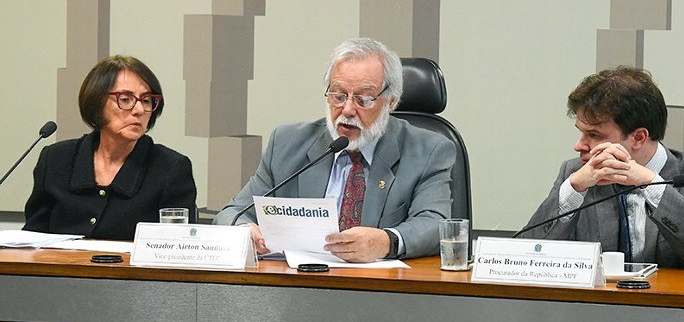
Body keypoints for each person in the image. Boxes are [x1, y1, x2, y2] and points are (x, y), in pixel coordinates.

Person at [213, 37, 455, 263]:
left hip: (382, 295)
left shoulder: (428, 151)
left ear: (391, 102)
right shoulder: (287, 144)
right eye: (338, 96)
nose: (348, 109)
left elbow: (435, 223)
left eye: (364, 99)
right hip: (299, 289)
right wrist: (244, 231)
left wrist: (386, 241)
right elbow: (232, 213)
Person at [521, 66, 684, 270]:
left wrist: (651, 185)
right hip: (594, 308)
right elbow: (527, 257)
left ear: (639, 137)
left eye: (594, 135)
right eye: (581, 132)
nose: (579, 146)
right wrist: (574, 189)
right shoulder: (576, 174)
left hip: (673, 309)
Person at [23, 55, 197, 240]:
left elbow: (179, 248)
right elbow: (32, 241)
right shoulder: (56, 160)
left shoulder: (171, 168)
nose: (138, 110)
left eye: (146, 100)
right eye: (125, 99)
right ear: (96, 102)